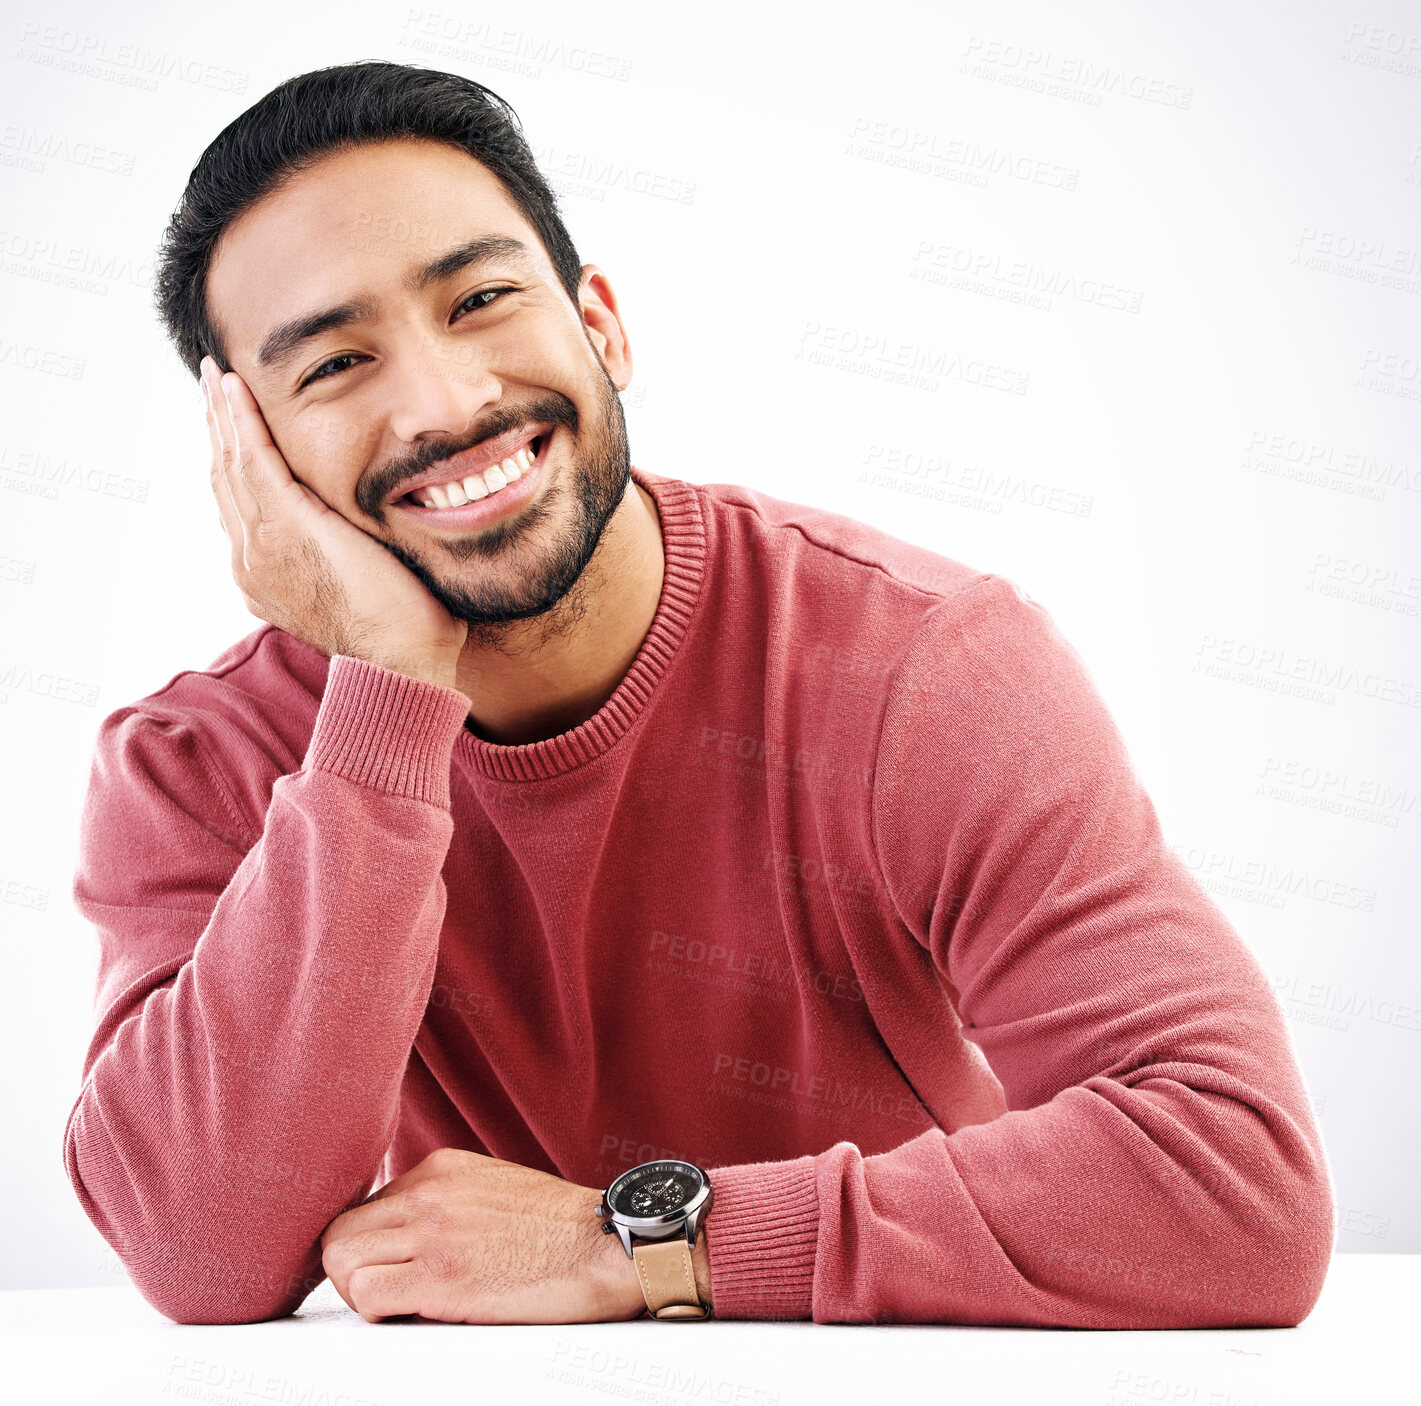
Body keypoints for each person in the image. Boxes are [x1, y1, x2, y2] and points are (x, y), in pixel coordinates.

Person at [63, 61, 1334, 1328]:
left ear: (600, 325)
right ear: (253, 453)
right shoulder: (198, 762)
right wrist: (386, 696)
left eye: (483, 298)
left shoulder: (919, 666)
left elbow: (1236, 1183)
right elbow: (202, 1251)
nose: (444, 403)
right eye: (334, 365)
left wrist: (628, 1241)